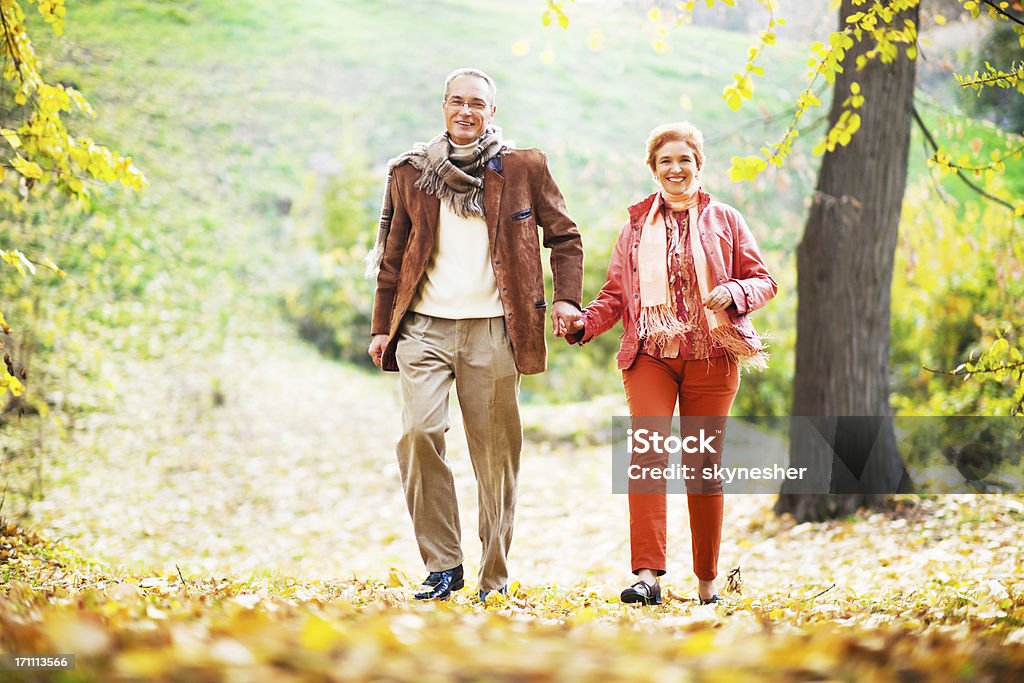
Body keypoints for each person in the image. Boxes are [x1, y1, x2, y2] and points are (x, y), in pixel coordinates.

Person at [366, 68, 584, 602]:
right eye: (457, 102)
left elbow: (565, 236)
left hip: (494, 331)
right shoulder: (412, 173)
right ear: (443, 106)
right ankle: (443, 566)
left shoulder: (522, 167)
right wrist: (380, 327)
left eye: (477, 104)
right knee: (418, 433)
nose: (466, 111)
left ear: (492, 112)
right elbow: (392, 258)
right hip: (425, 330)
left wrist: (566, 298)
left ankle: (493, 576)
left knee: (495, 457)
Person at [566, 122, 776, 605]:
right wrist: (584, 324)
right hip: (651, 358)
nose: (675, 169)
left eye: (684, 160)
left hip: (713, 356)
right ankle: (647, 575)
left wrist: (736, 291)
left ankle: (706, 582)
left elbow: (765, 281)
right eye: (665, 161)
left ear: (698, 164)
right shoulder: (635, 228)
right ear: (653, 169)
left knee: (703, 467)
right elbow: (616, 294)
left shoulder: (726, 220)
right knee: (647, 459)